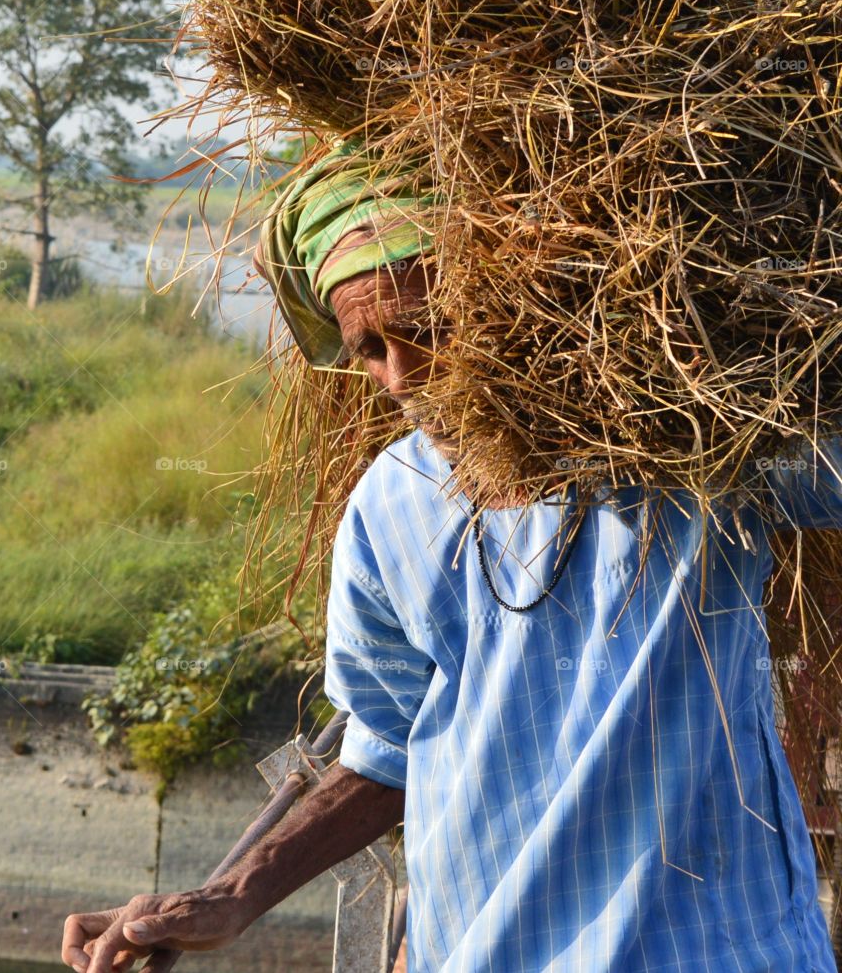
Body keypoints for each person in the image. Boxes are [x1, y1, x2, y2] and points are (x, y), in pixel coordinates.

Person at [61, 141, 839, 973]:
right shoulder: (388, 504)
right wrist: (238, 892)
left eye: (428, 329)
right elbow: (388, 746)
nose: (399, 376)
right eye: (368, 345)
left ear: (508, 303)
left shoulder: (691, 459)